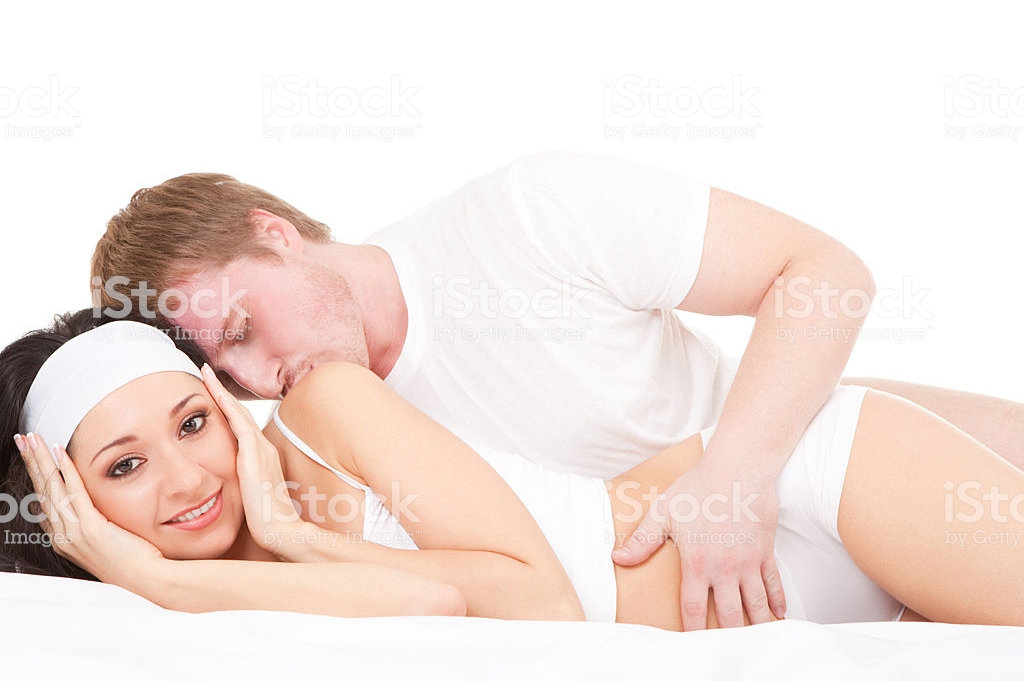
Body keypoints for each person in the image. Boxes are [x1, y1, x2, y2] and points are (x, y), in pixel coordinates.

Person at [89, 152, 1024, 629]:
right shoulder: (307, 446)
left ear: (275, 233)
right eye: (225, 374)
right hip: (743, 566)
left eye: (243, 328)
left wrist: (736, 476)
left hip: (783, 456)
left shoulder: (528, 215)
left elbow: (824, 273)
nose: (259, 377)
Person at [2, 311, 1023, 628]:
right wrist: (165, 579)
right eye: (125, 464)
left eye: (193, 422)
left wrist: (286, 535)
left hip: (800, 495)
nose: (188, 478)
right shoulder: (180, 601)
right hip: (787, 596)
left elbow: (533, 599)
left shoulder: (325, 407)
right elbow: (427, 598)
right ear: (68, 499)